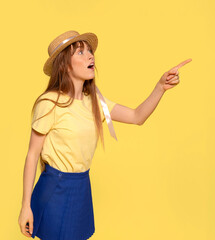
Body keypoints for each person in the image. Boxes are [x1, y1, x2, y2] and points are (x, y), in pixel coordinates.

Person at [17, 30, 192, 240]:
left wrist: (160, 87)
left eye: (89, 51)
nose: (91, 56)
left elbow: (137, 116)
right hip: (54, 189)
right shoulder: (49, 103)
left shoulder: (96, 103)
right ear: (64, 65)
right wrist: (25, 206)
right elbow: (32, 155)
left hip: (81, 186)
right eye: (80, 53)